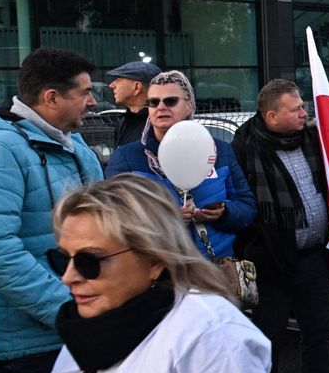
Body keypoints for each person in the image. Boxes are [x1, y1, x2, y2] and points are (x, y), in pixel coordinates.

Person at [45, 175, 280, 373]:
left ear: (154, 259)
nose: (68, 277)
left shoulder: (205, 333)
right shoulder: (84, 328)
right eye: (62, 258)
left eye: (89, 262)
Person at [0, 47, 103, 373]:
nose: (94, 101)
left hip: (71, 339)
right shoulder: (1, 149)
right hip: (21, 356)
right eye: (86, 92)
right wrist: (66, 306)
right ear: (52, 97)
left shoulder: (76, 149)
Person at [231, 79, 329, 373]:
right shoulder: (244, 148)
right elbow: (242, 204)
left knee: (318, 332)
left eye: (303, 106)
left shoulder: (313, 140)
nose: (305, 113)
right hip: (270, 262)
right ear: (272, 116)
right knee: (267, 341)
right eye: (296, 109)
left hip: (314, 257)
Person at [105, 70, 257, 266]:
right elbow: (112, 218)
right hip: (159, 274)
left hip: (216, 270)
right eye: (153, 102)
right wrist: (164, 219)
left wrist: (224, 212)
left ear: (189, 105)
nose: (160, 107)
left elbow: (247, 206)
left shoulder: (220, 151)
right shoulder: (126, 158)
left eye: (170, 101)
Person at [103, 60, 161, 148]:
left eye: (118, 79)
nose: (111, 85)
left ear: (137, 87)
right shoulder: (124, 123)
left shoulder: (160, 124)